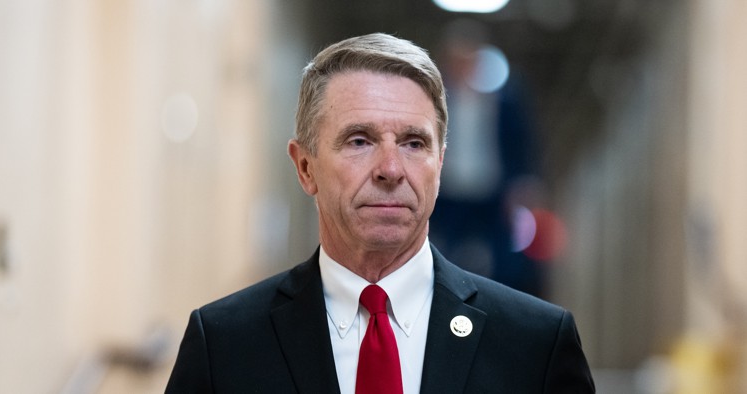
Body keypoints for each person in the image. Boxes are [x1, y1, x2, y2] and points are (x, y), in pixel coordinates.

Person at [165, 33, 594, 393]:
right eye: (359, 141)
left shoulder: (536, 345)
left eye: (413, 143)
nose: (391, 169)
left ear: (440, 166)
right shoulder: (223, 344)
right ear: (305, 167)